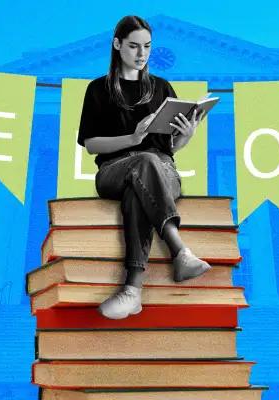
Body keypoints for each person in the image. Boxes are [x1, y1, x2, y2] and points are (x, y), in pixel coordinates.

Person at [77, 15, 211, 320]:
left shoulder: (162, 87)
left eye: (147, 47)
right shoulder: (98, 89)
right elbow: (91, 144)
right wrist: (134, 138)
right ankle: (180, 251)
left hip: (163, 171)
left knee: (140, 186)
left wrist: (186, 137)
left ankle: (132, 291)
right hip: (114, 169)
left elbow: (168, 149)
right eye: (134, 46)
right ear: (117, 45)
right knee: (145, 162)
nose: (142, 54)